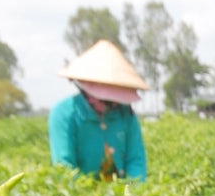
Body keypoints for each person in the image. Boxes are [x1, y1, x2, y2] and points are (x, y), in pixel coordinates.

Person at [48, 40, 149, 181]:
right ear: (88, 94)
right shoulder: (64, 114)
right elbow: (64, 166)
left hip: (121, 193)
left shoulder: (126, 114)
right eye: (106, 101)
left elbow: (136, 160)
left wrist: (132, 194)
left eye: (116, 101)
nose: (113, 105)